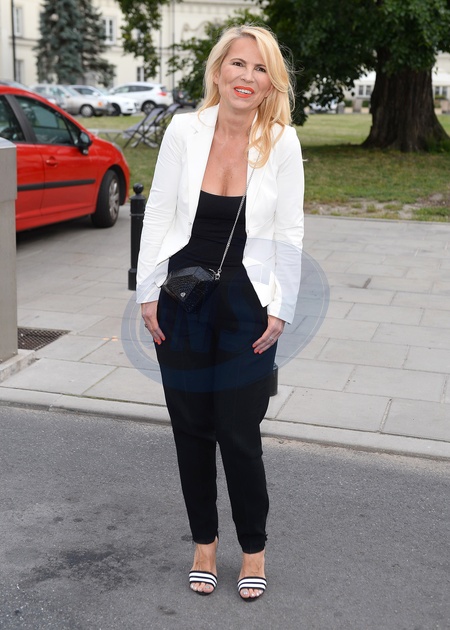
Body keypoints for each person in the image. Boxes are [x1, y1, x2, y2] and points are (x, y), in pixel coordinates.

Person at [136, 24, 304, 601]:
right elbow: (159, 213)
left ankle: (253, 549)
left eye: (260, 69)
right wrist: (147, 292)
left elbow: (290, 231)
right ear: (218, 70)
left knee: (238, 431)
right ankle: (204, 544)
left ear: (271, 83)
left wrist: (281, 307)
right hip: (183, 297)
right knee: (190, 428)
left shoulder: (282, 141)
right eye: (238, 64)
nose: (247, 77)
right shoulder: (184, 131)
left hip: (248, 302)